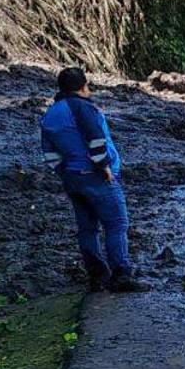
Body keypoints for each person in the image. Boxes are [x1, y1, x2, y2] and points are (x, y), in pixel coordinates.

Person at [40, 68, 149, 293]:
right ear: (83, 87)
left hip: (72, 178)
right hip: (96, 176)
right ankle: (121, 275)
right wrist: (104, 167)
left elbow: (49, 153)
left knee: (87, 228)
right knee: (116, 224)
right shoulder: (84, 108)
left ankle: (97, 276)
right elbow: (96, 139)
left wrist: (64, 172)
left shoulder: (50, 114)